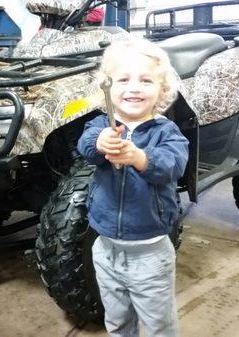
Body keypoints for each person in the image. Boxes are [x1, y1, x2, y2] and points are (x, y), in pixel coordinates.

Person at [77, 38, 189, 337]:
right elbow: (86, 146)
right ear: (107, 87)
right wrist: (99, 143)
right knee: (116, 322)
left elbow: (172, 165)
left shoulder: (167, 132)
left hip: (150, 254)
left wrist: (140, 157)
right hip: (105, 249)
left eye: (146, 80)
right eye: (123, 79)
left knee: (158, 327)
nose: (134, 88)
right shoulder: (101, 125)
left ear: (161, 90)